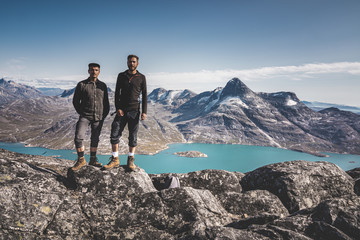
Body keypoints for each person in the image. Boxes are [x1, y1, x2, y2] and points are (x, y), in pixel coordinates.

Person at [103, 55, 147, 171]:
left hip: (134, 111)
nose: (131, 63)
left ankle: (130, 160)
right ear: (127, 62)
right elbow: (117, 93)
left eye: (133, 62)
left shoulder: (141, 77)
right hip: (121, 110)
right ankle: (115, 159)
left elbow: (145, 96)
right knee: (114, 133)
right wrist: (118, 108)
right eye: (130, 61)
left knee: (133, 136)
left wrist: (144, 112)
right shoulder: (121, 76)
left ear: (137, 63)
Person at [71, 63, 110, 171]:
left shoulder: (103, 86)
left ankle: (93, 159)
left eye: (96, 70)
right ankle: (81, 159)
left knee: (95, 139)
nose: (94, 72)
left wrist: (103, 115)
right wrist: (82, 112)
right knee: (78, 137)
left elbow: (106, 102)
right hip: (85, 116)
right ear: (88, 71)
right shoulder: (82, 84)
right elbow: (75, 101)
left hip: (98, 117)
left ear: (99, 72)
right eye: (92, 70)